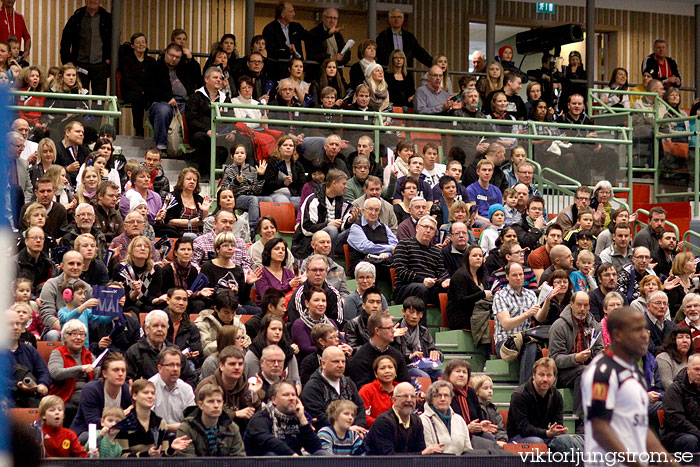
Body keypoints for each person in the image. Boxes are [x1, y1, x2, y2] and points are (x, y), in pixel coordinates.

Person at [582, 307, 673, 462]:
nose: (645, 335)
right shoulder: (602, 372)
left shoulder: (633, 370)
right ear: (617, 335)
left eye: (645, 329)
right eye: (637, 330)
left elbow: (640, 426)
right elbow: (600, 428)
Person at [549, 291, 603, 429]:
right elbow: (554, 359)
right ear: (571, 304)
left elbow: (597, 350)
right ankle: (581, 420)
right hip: (562, 373)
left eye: (586, 305)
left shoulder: (594, 325)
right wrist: (575, 358)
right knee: (584, 372)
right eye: (579, 305)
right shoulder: (559, 326)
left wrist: (603, 354)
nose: (582, 309)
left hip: (587, 369)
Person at [493, 263, 551, 384]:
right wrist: (527, 314)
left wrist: (547, 302)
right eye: (515, 275)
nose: (519, 278)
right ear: (507, 277)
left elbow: (540, 317)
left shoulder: (530, 294)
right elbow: (506, 324)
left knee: (532, 345)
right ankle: (526, 387)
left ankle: (528, 387)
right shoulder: (500, 296)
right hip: (505, 342)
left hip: (525, 339)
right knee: (531, 345)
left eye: (521, 274)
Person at [243, 379, 326, 456]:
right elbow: (269, 442)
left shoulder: (297, 417)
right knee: (271, 456)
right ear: (274, 400)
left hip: (296, 461)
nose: (291, 398)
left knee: (321, 453)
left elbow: (315, 447)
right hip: (266, 462)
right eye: (286, 395)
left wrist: (303, 420)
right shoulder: (261, 418)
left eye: (293, 395)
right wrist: (292, 455)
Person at [115, 379, 191, 457]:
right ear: (134, 396)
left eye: (153, 393)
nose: (150, 396)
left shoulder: (160, 422)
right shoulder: (124, 422)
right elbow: (122, 456)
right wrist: (146, 454)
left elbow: (163, 455)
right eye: (145, 393)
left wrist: (171, 449)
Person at [363, 382, 443, 455]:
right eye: (405, 396)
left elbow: (419, 450)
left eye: (412, 396)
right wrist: (422, 454)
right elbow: (388, 458)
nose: (409, 400)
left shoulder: (417, 421)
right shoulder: (383, 422)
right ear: (394, 400)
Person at [507, 358, 571, 447]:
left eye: (549, 375)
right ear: (534, 375)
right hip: (518, 436)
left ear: (554, 378)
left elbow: (558, 422)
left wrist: (558, 430)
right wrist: (547, 433)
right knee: (538, 442)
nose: (545, 379)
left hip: (543, 435)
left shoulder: (556, 396)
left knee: (565, 440)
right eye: (541, 375)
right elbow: (523, 428)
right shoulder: (519, 395)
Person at [301, 346, 367, 431]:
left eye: (343, 362)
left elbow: (360, 408)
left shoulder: (349, 383)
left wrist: (358, 427)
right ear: (323, 364)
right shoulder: (312, 387)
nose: (341, 365)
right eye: (336, 362)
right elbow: (318, 417)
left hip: (354, 433)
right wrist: (347, 429)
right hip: (326, 437)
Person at [124, 309, 197, 387]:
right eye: (155, 325)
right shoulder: (134, 352)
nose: (160, 329)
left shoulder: (175, 351)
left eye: (163, 326)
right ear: (146, 329)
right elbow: (127, 381)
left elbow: (190, 378)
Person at [145, 43, 197, 151]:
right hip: (160, 102)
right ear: (165, 53)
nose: (174, 59)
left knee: (195, 112)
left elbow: (197, 75)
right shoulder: (154, 66)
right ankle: (161, 146)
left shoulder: (184, 67)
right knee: (163, 110)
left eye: (177, 57)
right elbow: (150, 88)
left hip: (184, 102)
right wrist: (168, 98)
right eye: (171, 55)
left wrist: (191, 59)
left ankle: (191, 148)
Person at [197, 345, 261, 433]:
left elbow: (258, 418)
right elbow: (201, 419)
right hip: (212, 433)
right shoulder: (207, 385)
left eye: (240, 364)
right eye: (232, 364)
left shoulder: (247, 385)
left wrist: (254, 396)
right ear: (221, 366)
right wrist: (235, 414)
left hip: (240, 435)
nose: (237, 367)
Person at [70, 352, 132, 442]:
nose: (120, 374)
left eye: (123, 370)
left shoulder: (126, 390)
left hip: (116, 433)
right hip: (86, 432)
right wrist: (121, 417)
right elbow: (92, 423)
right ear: (104, 373)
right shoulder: (91, 390)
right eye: (116, 370)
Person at [393, 215, 448, 307]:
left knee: (453, 290)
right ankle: (421, 322)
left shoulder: (437, 251)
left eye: (431, 229)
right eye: (425, 227)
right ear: (417, 228)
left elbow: (441, 272)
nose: (428, 230)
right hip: (405, 288)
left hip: (429, 287)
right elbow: (401, 271)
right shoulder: (404, 244)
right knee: (421, 288)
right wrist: (422, 280)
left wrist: (443, 281)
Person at [59, 0, 111, 96]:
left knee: (99, 100)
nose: (93, 1)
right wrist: (67, 62)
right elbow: (65, 41)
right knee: (80, 97)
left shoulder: (107, 18)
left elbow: (114, 40)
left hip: (100, 65)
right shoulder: (77, 17)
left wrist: (109, 59)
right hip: (80, 65)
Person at [347, 311, 410, 388]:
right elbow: (363, 391)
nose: (393, 331)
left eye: (392, 327)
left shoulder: (397, 355)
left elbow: (406, 383)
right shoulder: (360, 359)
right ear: (377, 331)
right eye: (389, 328)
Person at [199, 232, 261, 310]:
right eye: (225, 245)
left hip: (234, 304)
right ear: (217, 249)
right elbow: (205, 294)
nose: (230, 248)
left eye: (232, 245)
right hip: (215, 304)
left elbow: (243, 299)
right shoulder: (208, 267)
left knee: (257, 311)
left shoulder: (238, 269)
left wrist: (248, 284)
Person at [7, 308, 49, 408]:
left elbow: (43, 371)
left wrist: (43, 384)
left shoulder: (29, 350)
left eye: (18, 324)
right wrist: (17, 384)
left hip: (30, 398)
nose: (16, 327)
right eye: (10, 324)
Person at [393, 296, 443, 381]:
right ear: (403, 312)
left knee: (444, 374)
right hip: (404, 369)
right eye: (411, 312)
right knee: (423, 376)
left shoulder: (423, 331)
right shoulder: (394, 331)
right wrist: (410, 357)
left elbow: (433, 349)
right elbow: (392, 357)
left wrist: (437, 353)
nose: (415, 316)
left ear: (422, 315)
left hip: (424, 367)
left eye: (418, 313)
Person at [287, 254, 344, 324]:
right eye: (314, 270)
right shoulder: (299, 295)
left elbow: (339, 322)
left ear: (326, 272)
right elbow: (300, 323)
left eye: (321, 270)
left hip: (330, 332)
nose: (318, 273)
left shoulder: (334, 293)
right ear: (307, 272)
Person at [420, 380, 473, 455]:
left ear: (451, 398)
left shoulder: (459, 420)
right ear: (431, 398)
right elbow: (428, 451)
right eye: (438, 395)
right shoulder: (423, 420)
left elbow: (468, 450)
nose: (443, 399)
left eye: (446, 395)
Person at [148, 347, 195, 432]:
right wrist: (169, 428)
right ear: (159, 368)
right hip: (156, 437)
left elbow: (191, 422)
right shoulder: (150, 387)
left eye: (178, 365)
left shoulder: (186, 389)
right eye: (170, 365)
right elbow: (148, 423)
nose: (175, 369)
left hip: (181, 437)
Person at [262, 2, 309, 81]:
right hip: (277, 72)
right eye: (291, 11)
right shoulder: (270, 29)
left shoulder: (296, 27)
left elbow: (310, 37)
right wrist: (288, 51)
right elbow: (272, 51)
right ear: (283, 14)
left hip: (295, 73)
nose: (294, 14)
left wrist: (326, 32)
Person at [358, 355, 400, 428]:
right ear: (376, 374)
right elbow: (363, 416)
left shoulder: (401, 388)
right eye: (382, 368)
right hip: (375, 430)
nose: (387, 371)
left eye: (390, 367)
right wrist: (384, 424)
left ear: (395, 371)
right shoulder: (367, 390)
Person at [657, 326, 693, 390]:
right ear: (673, 340)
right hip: (674, 397)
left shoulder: (695, 359)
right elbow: (667, 385)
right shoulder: (663, 358)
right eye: (680, 337)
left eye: (687, 337)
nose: (685, 340)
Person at [645, 290, 675, 355]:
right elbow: (651, 350)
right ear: (648, 305)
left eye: (665, 303)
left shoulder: (672, 326)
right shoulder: (640, 325)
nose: (662, 306)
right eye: (658, 303)